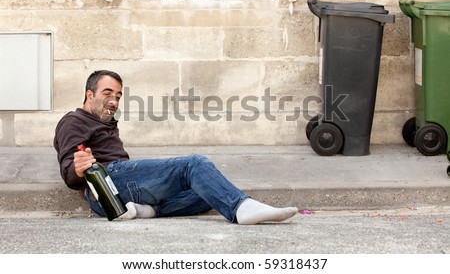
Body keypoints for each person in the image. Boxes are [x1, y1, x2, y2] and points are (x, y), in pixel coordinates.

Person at [54, 70, 298, 225]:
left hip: (119, 194)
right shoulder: (73, 121)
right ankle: (241, 209)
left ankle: (145, 211)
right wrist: (76, 168)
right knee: (194, 165)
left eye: (118, 96)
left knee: (206, 191)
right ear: (89, 94)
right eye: (108, 93)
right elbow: (68, 171)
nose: (114, 100)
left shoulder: (102, 122)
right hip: (106, 190)